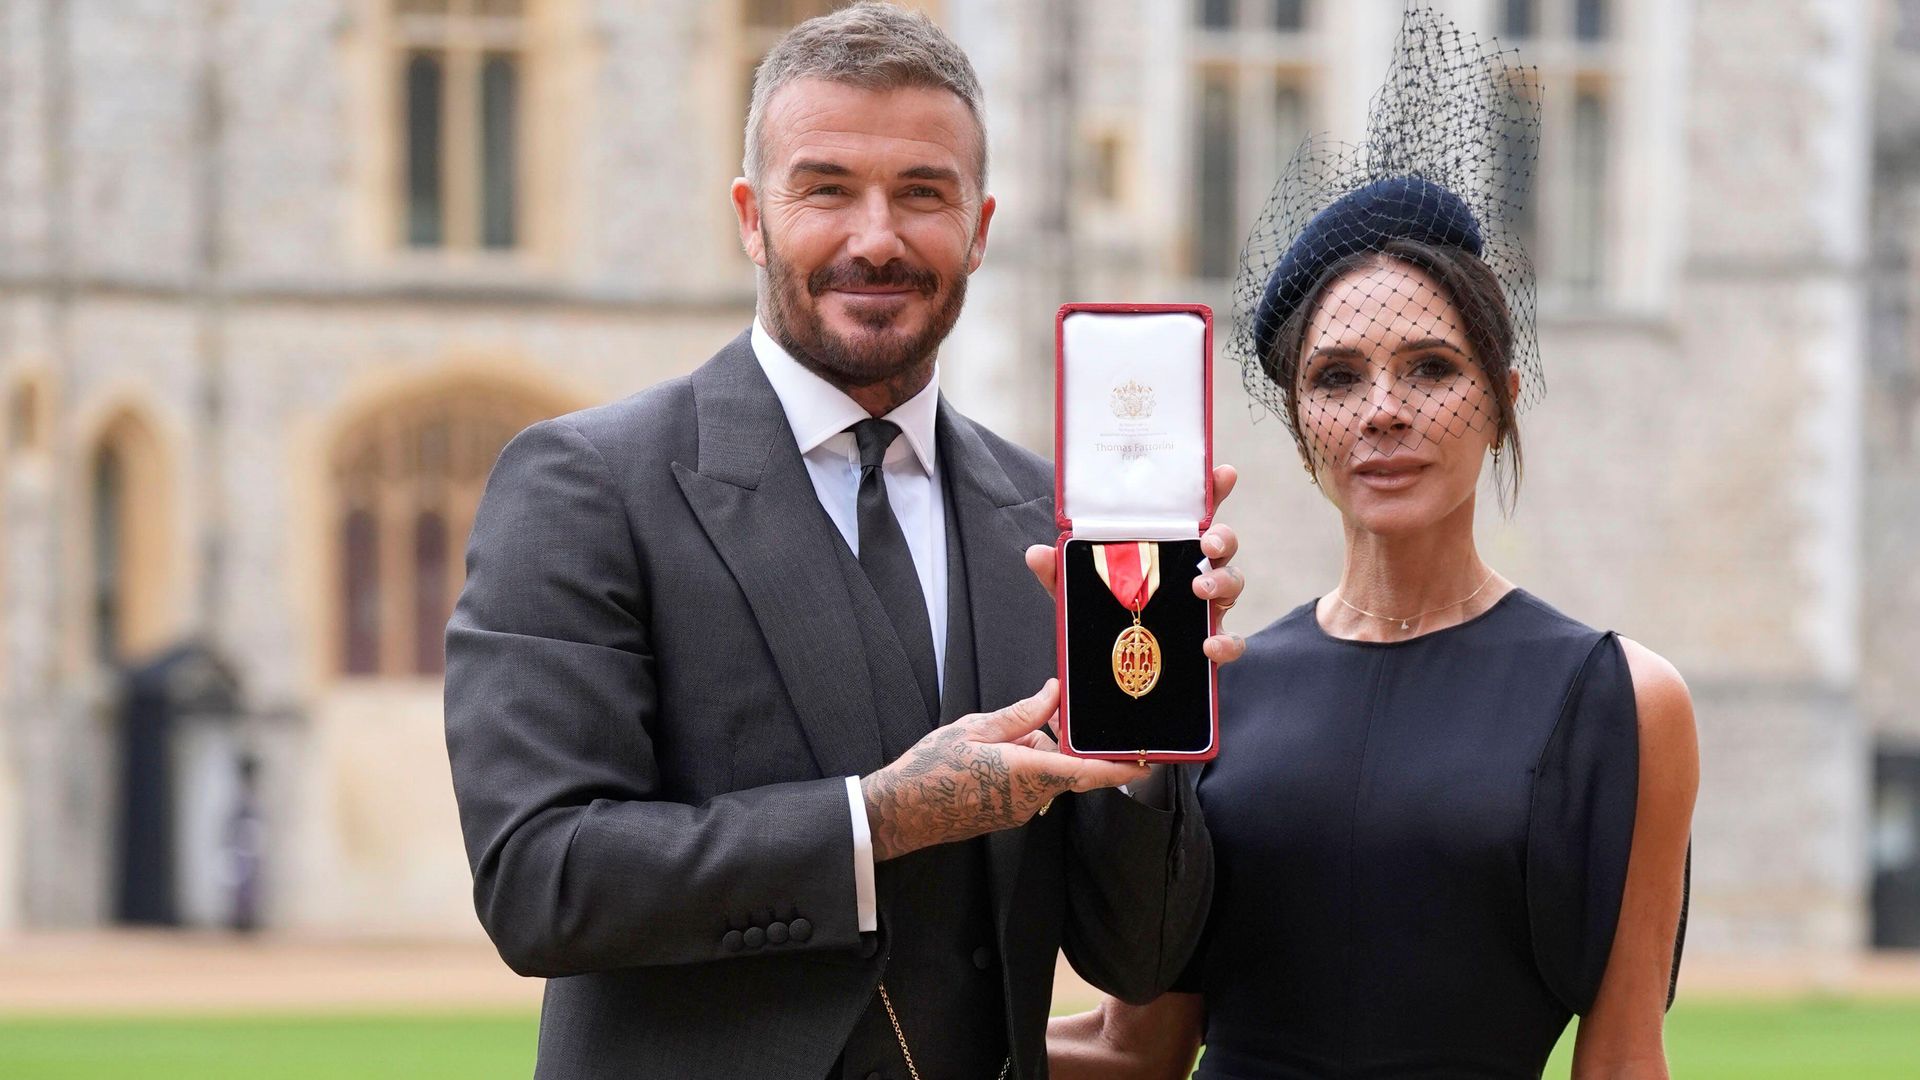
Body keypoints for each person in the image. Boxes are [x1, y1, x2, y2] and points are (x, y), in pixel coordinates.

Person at [442, 4, 1242, 1078]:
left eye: (922, 193)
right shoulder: (587, 486)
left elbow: (1141, 957)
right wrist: (879, 821)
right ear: (752, 217)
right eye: (826, 189)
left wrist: (1145, 735)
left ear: (980, 228)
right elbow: (542, 882)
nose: (876, 239)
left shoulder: (1054, 521)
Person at [1047, 9, 1696, 1079]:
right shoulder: (1213, 685)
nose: (1384, 410)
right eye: (1338, 378)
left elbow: (1625, 1057)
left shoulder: (1624, 701)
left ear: (1502, 399)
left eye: (1433, 369)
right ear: (1301, 421)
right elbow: (1139, 1050)